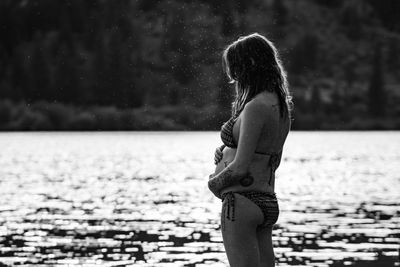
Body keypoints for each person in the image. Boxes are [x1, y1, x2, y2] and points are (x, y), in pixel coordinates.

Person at [207, 33, 293, 267]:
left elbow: (241, 167)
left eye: (235, 69)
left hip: (242, 202)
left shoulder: (256, 106)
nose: (234, 77)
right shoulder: (280, 106)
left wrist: (214, 184)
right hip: (266, 202)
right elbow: (271, 159)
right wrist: (225, 150)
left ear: (249, 65)